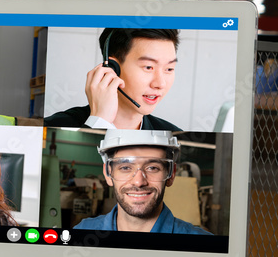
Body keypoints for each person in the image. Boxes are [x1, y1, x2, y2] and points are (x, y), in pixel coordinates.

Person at [75, 129, 210, 234]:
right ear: (108, 174)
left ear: (171, 174)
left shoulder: (203, 245)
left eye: (152, 168)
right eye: (126, 167)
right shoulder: (82, 232)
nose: (139, 182)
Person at [45, 28, 181, 131]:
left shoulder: (173, 133)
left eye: (169, 69)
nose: (160, 84)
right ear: (112, 68)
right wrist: (99, 122)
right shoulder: (52, 126)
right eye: (148, 67)